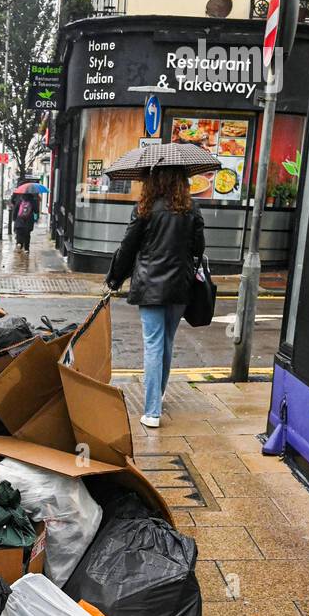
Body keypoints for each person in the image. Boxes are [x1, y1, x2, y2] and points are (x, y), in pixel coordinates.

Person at [106, 166, 205, 428]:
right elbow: (198, 248)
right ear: (181, 182)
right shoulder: (191, 209)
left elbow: (127, 248)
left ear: (154, 182)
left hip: (150, 286)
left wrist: (115, 278)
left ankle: (152, 412)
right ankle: (158, 393)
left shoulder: (144, 209)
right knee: (167, 342)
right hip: (179, 288)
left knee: (153, 345)